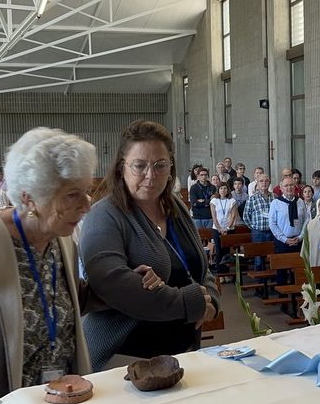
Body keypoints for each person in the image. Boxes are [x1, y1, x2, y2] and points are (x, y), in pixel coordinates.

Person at [0, 128, 160, 404]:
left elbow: (67, 298)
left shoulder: (62, 238)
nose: (87, 205)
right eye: (72, 195)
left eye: (86, 191)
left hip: (62, 393)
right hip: (7, 399)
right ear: (29, 198)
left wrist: (126, 282)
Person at [80, 120, 220, 371]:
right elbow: (116, 286)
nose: (150, 175)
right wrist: (192, 303)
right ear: (122, 167)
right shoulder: (104, 216)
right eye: (140, 165)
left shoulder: (176, 208)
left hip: (181, 354)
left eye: (160, 165)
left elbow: (202, 269)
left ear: (171, 167)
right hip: (122, 360)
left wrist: (211, 303)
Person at [269, 176, 307, 285]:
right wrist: (284, 239)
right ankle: (282, 292)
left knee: (299, 269)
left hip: (298, 241)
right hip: (282, 242)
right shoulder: (276, 203)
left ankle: (299, 291)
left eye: (291, 185)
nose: (289, 188)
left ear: (295, 187)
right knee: (282, 271)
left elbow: (306, 220)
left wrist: (300, 237)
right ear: (281, 188)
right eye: (286, 186)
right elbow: (272, 223)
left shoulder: (300, 201)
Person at [243, 174, 274, 271]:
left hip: (273, 232)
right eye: (261, 181)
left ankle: (273, 277)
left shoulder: (274, 197)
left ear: (269, 183)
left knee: (273, 257)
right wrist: (253, 227)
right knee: (258, 259)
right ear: (257, 183)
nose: (264, 183)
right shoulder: (252, 198)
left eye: (266, 181)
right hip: (258, 232)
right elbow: (246, 215)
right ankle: (260, 278)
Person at [210, 182, 238, 271]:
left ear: (228, 190)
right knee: (219, 251)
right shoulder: (214, 201)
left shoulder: (232, 201)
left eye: (225, 188)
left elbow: (233, 216)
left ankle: (226, 272)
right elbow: (214, 216)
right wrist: (219, 229)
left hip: (229, 229)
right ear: (218, 190)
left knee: (226, 251)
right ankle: (220, 272)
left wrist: (227, 228)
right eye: (221, 188)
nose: (223, 190)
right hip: (217, 228)